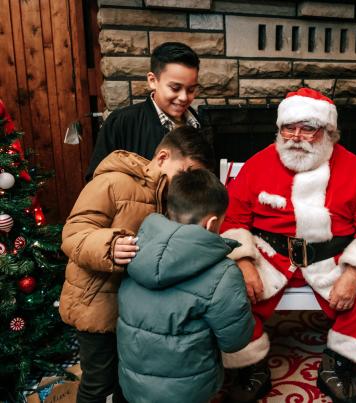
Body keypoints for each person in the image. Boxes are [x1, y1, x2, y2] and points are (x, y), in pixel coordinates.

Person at [221, 88, 356, 403]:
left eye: (308, 128)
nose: (296, 136)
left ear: (328, 132)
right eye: (289, 127)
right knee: (225, 287)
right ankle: (252, 367)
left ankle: (336, 365)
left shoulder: (354, 169)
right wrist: (244, 264)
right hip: (268, 255)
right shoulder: (257, 165)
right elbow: (232, 220)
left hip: (333, 257)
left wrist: (353, 274)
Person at [59, 126, 214, 403]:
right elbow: (73, 233)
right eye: (186, 172)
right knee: (98, 381)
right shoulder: (113, 183)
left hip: (133, 312)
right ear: (163, 157)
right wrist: (109, 245)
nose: (186, 182)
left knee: (127, 379)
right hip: (95, 305)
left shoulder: (169, 200)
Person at [116, 169, 255, 403]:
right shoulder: (223, 274)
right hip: (190, 391)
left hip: (134, 384)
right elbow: (235, 341)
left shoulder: (135, 247)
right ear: (212, 223)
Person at [86, 42, 203, 180]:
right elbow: (96, 180)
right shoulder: (121, 123)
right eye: (175, 88)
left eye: (191, 90)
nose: (184, 97)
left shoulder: (198, 123)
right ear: (153, 80)